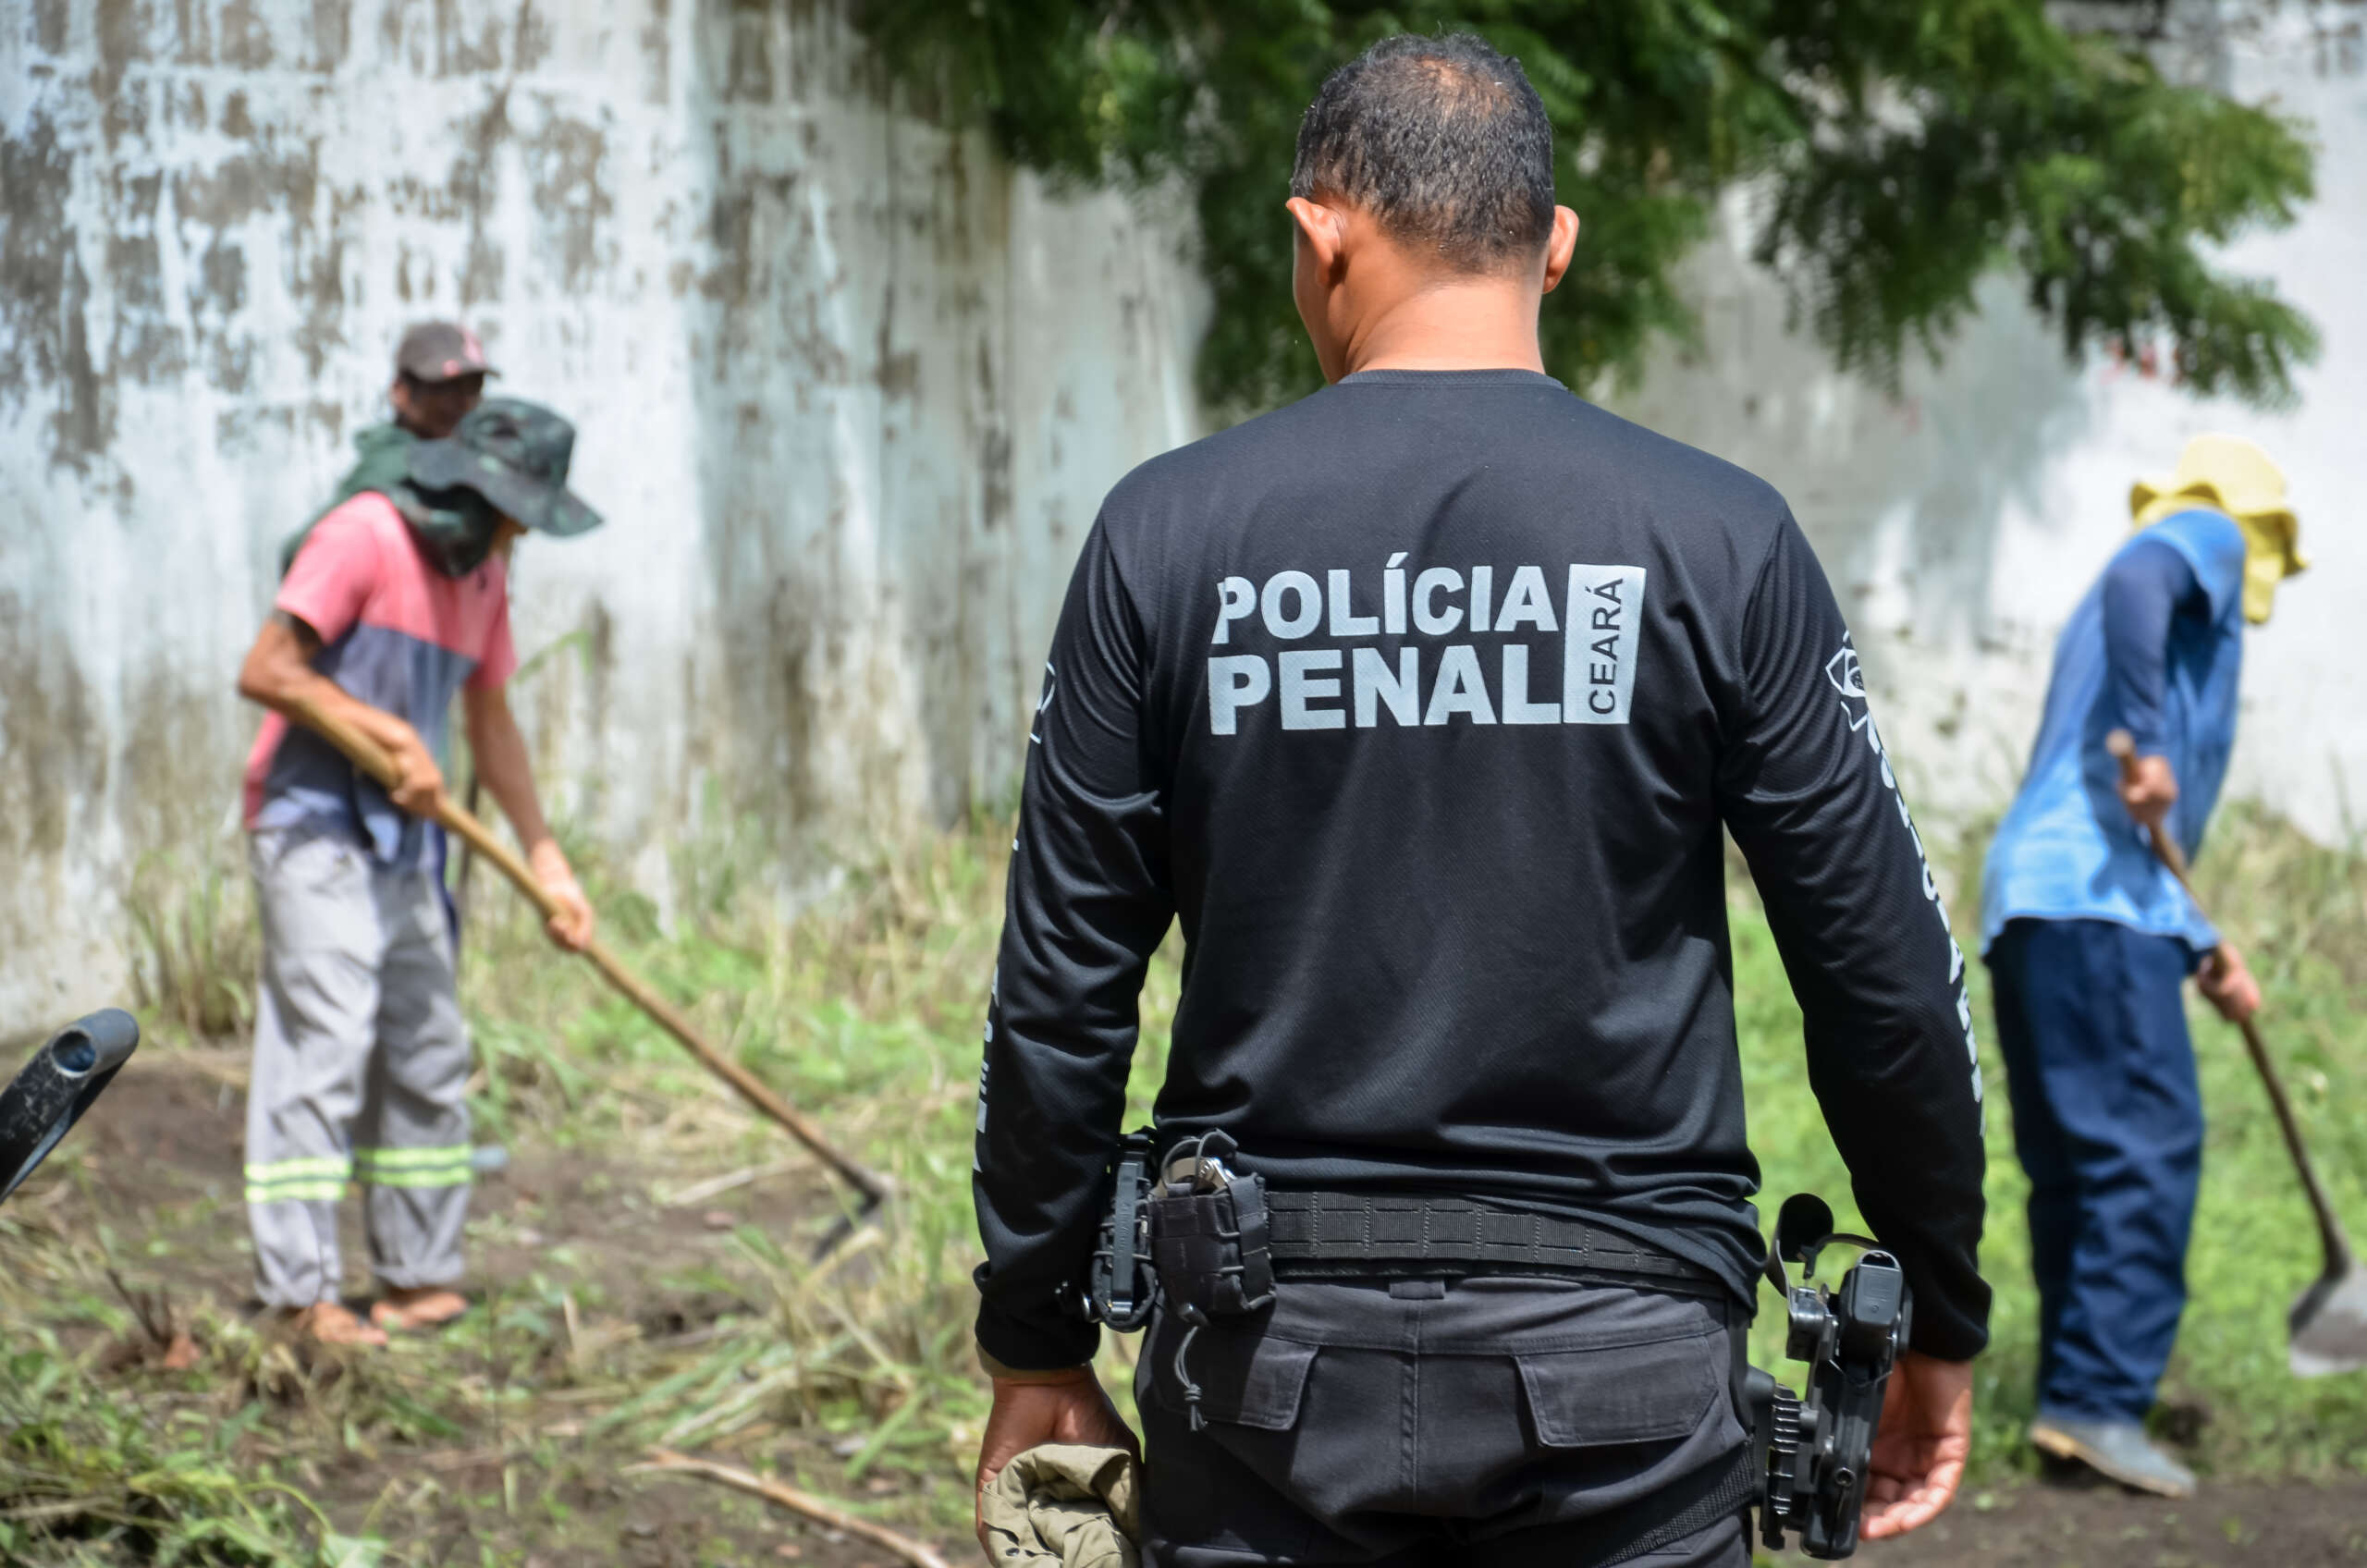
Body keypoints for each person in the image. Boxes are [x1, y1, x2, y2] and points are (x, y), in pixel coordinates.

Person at [970, 33, 1989, 1566]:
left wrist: (1035, 1339)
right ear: (1557, 246)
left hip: (1263, 1380)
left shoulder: (1163, 536)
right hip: (1634, 1394)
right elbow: (1885, 978)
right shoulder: (1721, 539)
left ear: (1319, 235)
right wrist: (1939, 1305)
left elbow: (1058, 992)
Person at [234, 398, 603, 1347]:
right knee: (327, 1044)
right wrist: (388, 734)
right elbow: (269, 669)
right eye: (514, 514)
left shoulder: (482, 579)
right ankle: (301, 1294)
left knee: (427, 1046)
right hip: (312, 824)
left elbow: (492, 721)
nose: (519, 535)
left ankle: (417, 1273)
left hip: (405, 842)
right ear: (473, 493)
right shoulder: (361, 535)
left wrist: (548, 860)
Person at [1981, 434, 2303, 1497]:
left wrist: (2203, 942)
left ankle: (2080, 1394)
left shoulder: (2120, 615)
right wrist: (2151, 739)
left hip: (2039, 900)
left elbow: (2108, 820)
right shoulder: (2195, 536)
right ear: (2254, 530)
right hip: (2095, 906)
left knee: (2078, 1163)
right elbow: (2139, 576)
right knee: (2145, 1148)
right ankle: (2096, 1400)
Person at [280, 322, 496, 574]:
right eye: (445, 388)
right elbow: (296, 554)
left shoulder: (463, 460)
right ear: (401, 392)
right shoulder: (395, 467)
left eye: (474, 386)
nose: (462, 402)